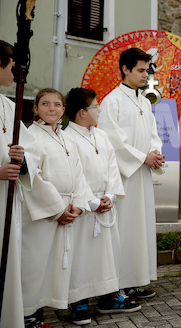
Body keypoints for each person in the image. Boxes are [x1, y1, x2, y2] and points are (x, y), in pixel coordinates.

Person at [64, 88, 141, 325]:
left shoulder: (102, 136)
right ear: (81, 113)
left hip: (105, 204)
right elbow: (73, 175)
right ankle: (79, 301)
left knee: (107, 254)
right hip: (84, 206)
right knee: (82, 255)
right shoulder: (68, 138)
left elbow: (112, 168)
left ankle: (109, 296)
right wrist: (93, 202)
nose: (99, 110)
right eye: (95, 106)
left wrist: (109, 195)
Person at [98, 47, 165, 299]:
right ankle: (117, 283)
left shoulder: (143, 102)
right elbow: (112, 141)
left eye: (147, 70)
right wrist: (142, 157)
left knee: (140, 228)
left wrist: (155, 152)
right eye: (140, 70)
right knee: (124, 229)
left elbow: (152, 134)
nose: (145, 75)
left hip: (142, 176)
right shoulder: (111, 101)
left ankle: (135, 280)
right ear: (125, 69)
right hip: (123, 177)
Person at [22, 88, 91, 328]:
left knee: (56, 264)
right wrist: (56, 209)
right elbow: (33, 177)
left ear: (63, 110)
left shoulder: (66, 137)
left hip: (68, 206)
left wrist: (79, 206)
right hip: (44, 212)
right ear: (35, 108)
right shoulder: (30, 136)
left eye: (57, 104)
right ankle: (29, 315)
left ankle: (43, 311)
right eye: (45, 104)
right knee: (35, 264)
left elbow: (80, 174)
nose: (52, 109)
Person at [0, 39, 37, 327]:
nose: (17, 76)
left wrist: (22, 160)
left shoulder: (8, 105)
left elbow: (31, 148)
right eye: (13, 68)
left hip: (6, 202)